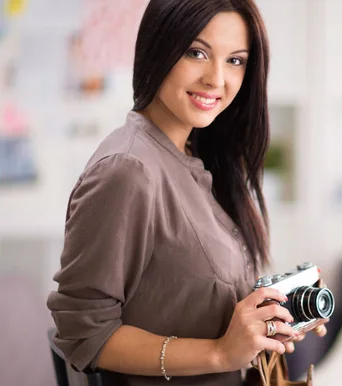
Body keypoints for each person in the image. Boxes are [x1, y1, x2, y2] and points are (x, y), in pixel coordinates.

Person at [46, 0, 327, 385]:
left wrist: (269, 317)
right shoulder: (128, 170)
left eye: (235, 60)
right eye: (197, 53)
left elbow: (183, 294)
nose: (216, 79)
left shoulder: (191, 155)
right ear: (158, 48)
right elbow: (84, 335)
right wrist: (220, 353)